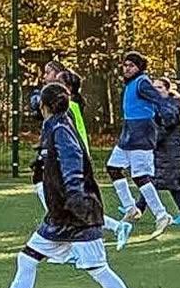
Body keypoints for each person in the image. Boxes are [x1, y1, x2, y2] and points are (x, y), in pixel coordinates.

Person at [0, 83, 151, 288]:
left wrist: (77, 200)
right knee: (27, 259)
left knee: (99, 270)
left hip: (75, 214)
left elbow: (72, 164)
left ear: (43, 106)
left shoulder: (60, 129)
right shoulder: (54, 126)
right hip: (60, 216)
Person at [30, 61, 132, 250]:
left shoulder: (69, 109)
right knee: (47, 193)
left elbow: (72, 138)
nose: (45, 77)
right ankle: (63, 237)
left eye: (49, 74)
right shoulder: (56, 111)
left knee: (59, 201)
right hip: (58, 158)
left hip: (68, 160)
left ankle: (69, 239)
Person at [107, 51, 178, 240]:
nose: (127, 68)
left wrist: (169, 112)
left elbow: (158, 100)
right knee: (113, 168)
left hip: (142, 132)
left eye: (131, 65)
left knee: (140, 176)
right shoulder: (131, 83)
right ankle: (131, 208)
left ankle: (162, 215)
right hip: (129, 132)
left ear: (139, 67)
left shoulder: (142, 82)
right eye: (125, 65)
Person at [151, 77, 180, 225]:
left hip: (171, 151)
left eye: (160, 88)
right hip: (162, 151)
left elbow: (166, 125)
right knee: (153, 181)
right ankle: (137, 208)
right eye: (154, 87)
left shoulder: (171, 105)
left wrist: (151, 140)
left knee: (174, 184)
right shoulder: (158, 105)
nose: (156, 90)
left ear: (167, 90)